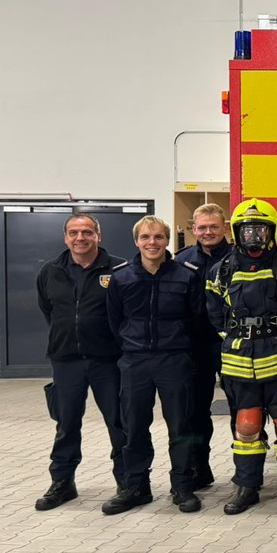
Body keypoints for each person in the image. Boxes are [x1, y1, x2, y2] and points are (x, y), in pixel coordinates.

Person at [206, 198, 277, 514]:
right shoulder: (220, 271)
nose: (253, 237)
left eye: (260, 230)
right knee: (246, 426)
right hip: (241, 362)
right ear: (237, 233)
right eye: (247, 230)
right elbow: (214, 314)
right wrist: (233, 339)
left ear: (272, 232)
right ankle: (247, 486)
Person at [103, 216, 206, 514]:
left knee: (182, 427)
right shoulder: (120, 277)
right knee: (134, 427)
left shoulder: (186, 276)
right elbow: (115, 321)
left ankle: (183, 486)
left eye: (158, 237)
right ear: (136, 241)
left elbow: (197, 320)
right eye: (146, 237)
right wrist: (131, 345)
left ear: (167, 240)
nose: (152, 243)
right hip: (135, 362)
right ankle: (135, 487)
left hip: (175, 361)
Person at [34, 214, 128, 511]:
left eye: (87, 232)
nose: (80, 238)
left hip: (108, 360)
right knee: (66, 423)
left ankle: (128, 482)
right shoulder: (50, 271)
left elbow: (125, 312)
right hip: (66, 360)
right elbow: (48, 309)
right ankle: (62, 482)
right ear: (65, 237)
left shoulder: (119, 268)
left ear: (98, 236)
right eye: (74, 232)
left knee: (119, 423)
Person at [176, 203, 232, 490]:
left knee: (242, 408)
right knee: (196, 411)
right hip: (196, 348)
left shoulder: (241, 258)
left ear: (225, 227)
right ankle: (200, 468)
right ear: (193, 229)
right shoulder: (181, 261)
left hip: (234, 346)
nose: (208, 232)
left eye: (214, 226)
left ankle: (245, 469)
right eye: (202, 227)